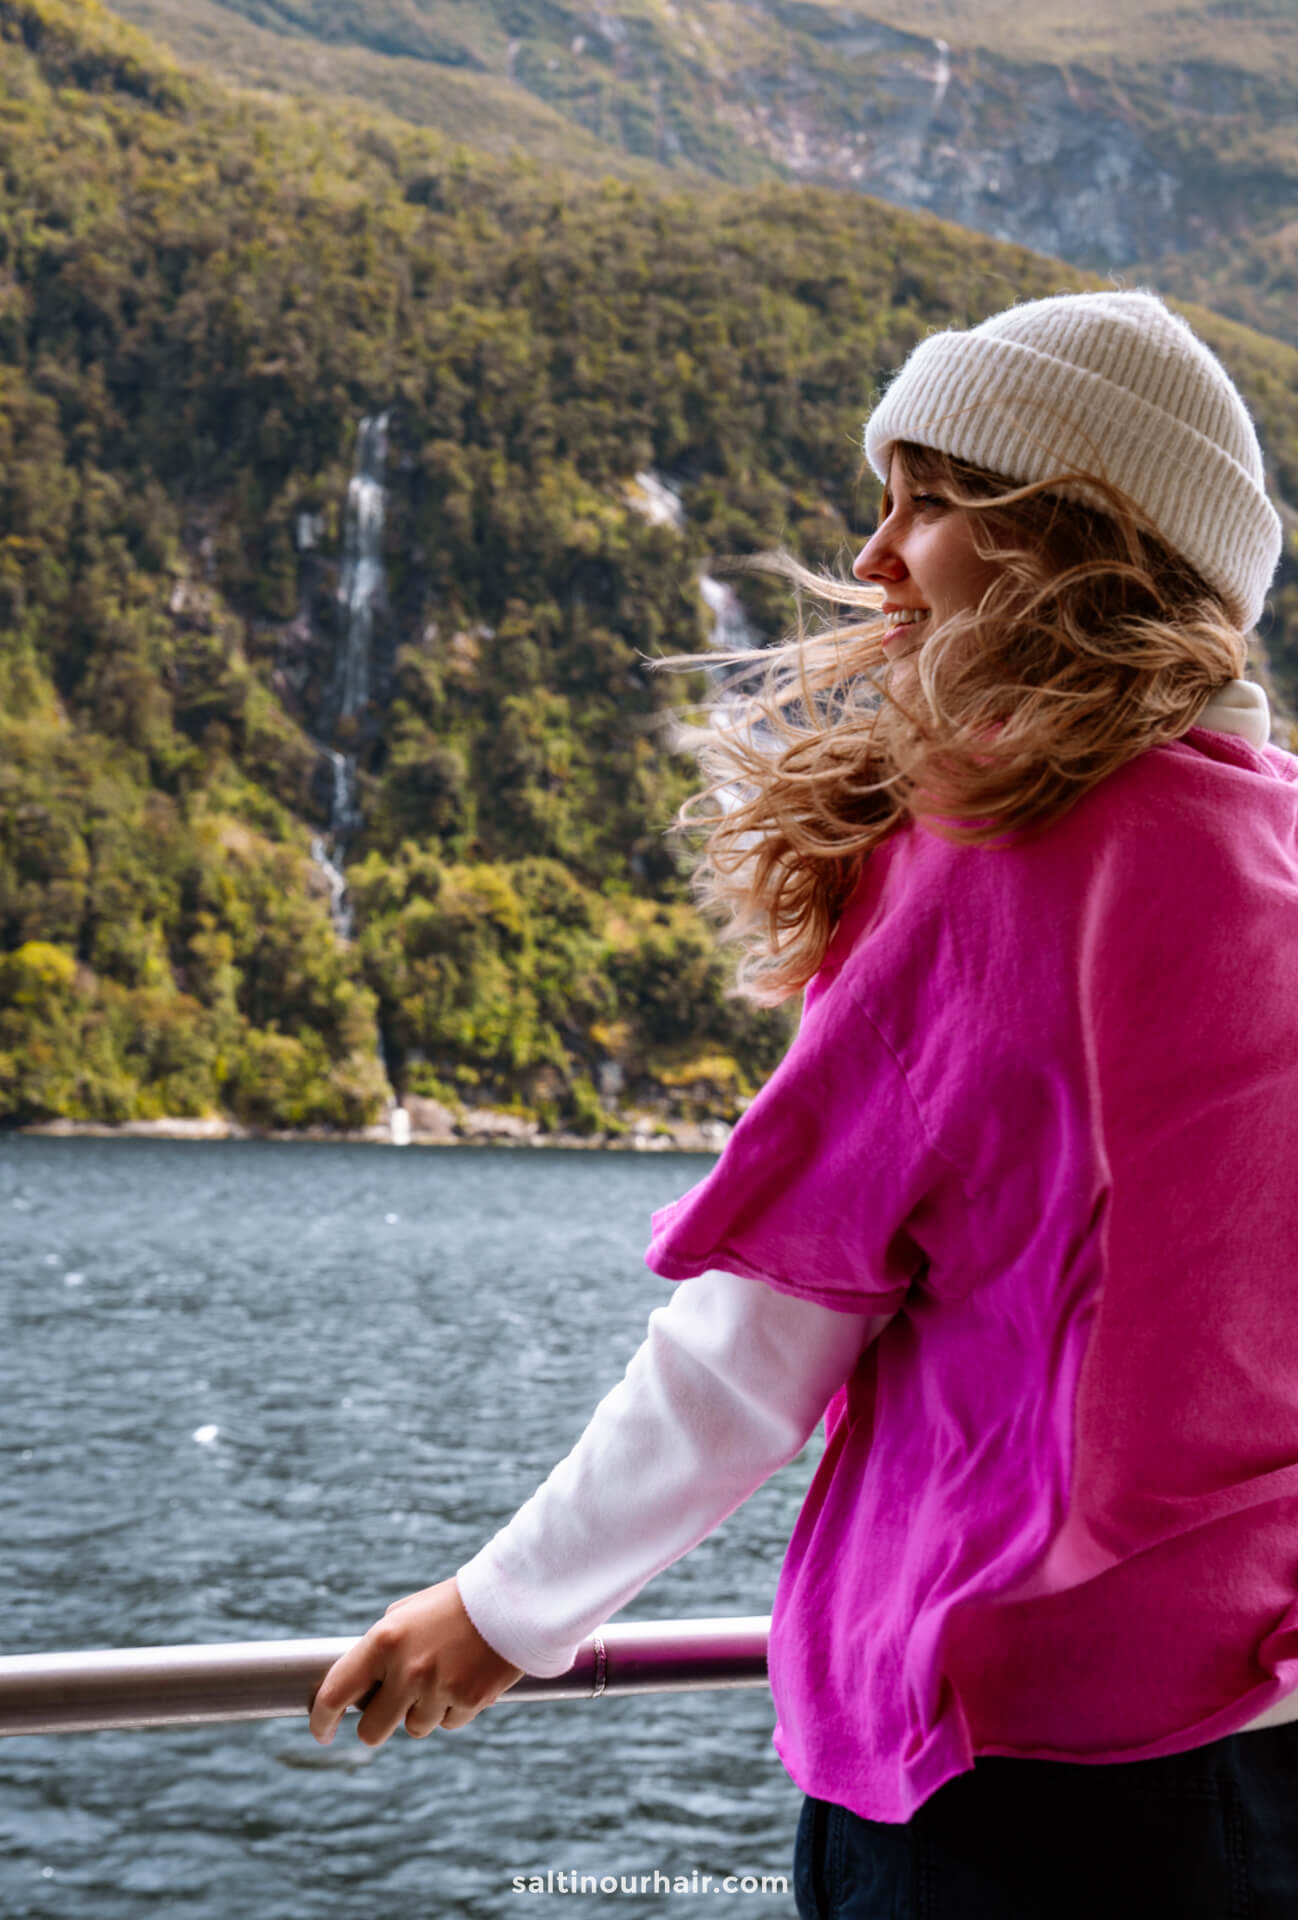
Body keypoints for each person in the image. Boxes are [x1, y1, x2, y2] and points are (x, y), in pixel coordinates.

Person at [309, 290, 1298, 1916]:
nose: (873, 556)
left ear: (1071, 541)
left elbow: (757, 1346)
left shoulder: (1005, 864)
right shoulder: (1270, 850)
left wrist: (502, 1608)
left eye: (930, 502)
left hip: (1022, 1768)